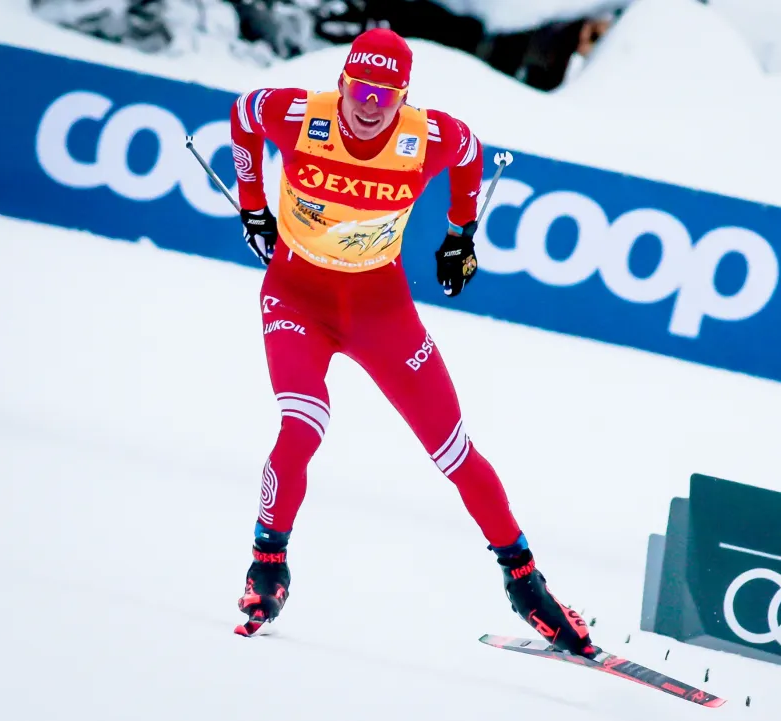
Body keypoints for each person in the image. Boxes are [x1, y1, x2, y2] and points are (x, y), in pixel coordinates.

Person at [228, 27, 596, 657]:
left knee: (455, 453)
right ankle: (268, 566)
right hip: (296, 298)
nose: (370, 104)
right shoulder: (296, 114)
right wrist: (254, 205)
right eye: (361, 88)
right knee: (302, 428)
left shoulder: (424, 135)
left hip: (380, 309)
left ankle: (526, 584)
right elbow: (241, 116)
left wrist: (460, 235)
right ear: (342, 83)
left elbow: (472, 151)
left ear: (404, 97)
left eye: (387, 93)